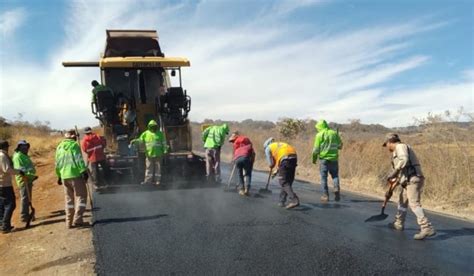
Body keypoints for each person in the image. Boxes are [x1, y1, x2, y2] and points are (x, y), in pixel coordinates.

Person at [383, 133, 436, 240]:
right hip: (408, 181)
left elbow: (404, 160)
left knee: (414, 203)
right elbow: (400, 174)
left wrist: (394, 171)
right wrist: (390, 190)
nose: (387, 147)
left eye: (386, 144)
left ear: (390, 142)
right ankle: (399, 223)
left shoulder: (400, 147)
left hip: (413, 179)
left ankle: (426, 227)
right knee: (402, 201)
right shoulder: (397, 152)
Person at [55, 130, 89, 228]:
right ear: (73, 137)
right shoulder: (74, 145)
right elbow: (78, 159)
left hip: (64, 176)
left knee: (69, 199)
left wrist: (58, 176)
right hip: (75, 175)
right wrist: (83, 171)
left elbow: (57, 163)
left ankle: (68, 222)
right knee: (81, 196)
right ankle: (78, 220)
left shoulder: (59, 147)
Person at [263, 138, 300, 209]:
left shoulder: (268, 148)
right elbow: (281, 161)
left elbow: (271, 163)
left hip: (285, 160)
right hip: (293, 158)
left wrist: (271, 165)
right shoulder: (279, 145)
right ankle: (282, 201)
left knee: (283, 182)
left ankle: (294, 200)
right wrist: (276, 171)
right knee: (288, 181)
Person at [312, 120, 343, 202]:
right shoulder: (334, 133)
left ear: (320, 127)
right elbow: (340, 146)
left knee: (323, 178)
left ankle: (325, 196)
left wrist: (314, 159)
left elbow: (316, 150)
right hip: (334, 159)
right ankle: (336, 188)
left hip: (324, 160)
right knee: (335, 176)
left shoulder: (319, 135)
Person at [0, 140, 25, 233]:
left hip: (2, 184)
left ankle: (2, 224)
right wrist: (19, 171)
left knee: (2, 205)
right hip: (4, 184)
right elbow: (7, 169)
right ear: (6, 147)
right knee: (11, 204)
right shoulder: (2, 156)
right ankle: (5, 226)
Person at [12, 140, 37, 223]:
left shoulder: (24, 155)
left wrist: (32, 176)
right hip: (24, 180)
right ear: (19, 147)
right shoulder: (18, 157)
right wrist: (29, 176)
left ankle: (28, 214)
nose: (25, 148)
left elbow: (28, 167)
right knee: (25, 198)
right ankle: (24, 216)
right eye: (23, 147)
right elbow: (21, 170)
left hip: (29, 179)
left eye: (26, 146)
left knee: (28, 198)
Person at [138, 120, 167, 185]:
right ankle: (148, 181)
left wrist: (165, 150)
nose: (153, 128)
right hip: (149, 154)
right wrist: (135, 141)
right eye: (152, 126)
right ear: (149, 127)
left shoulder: (160, 134)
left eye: (154, 126)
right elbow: (140, 141)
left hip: (158, 154)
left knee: (158, 168)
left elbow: (164, 143)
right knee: (149, 168)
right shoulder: (145, 133)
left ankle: (157, 181)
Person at [228, 132, 255, 196]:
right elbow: (253, 155)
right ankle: (247, 189)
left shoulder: (237, 146)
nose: (232, 142)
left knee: (239, 174)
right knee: (248, 174)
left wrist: (234, 161)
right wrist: (251, 165)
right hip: (246, 158)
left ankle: (241, 189)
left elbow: (234, 156)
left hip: (238, 159)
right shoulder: (249, 146)